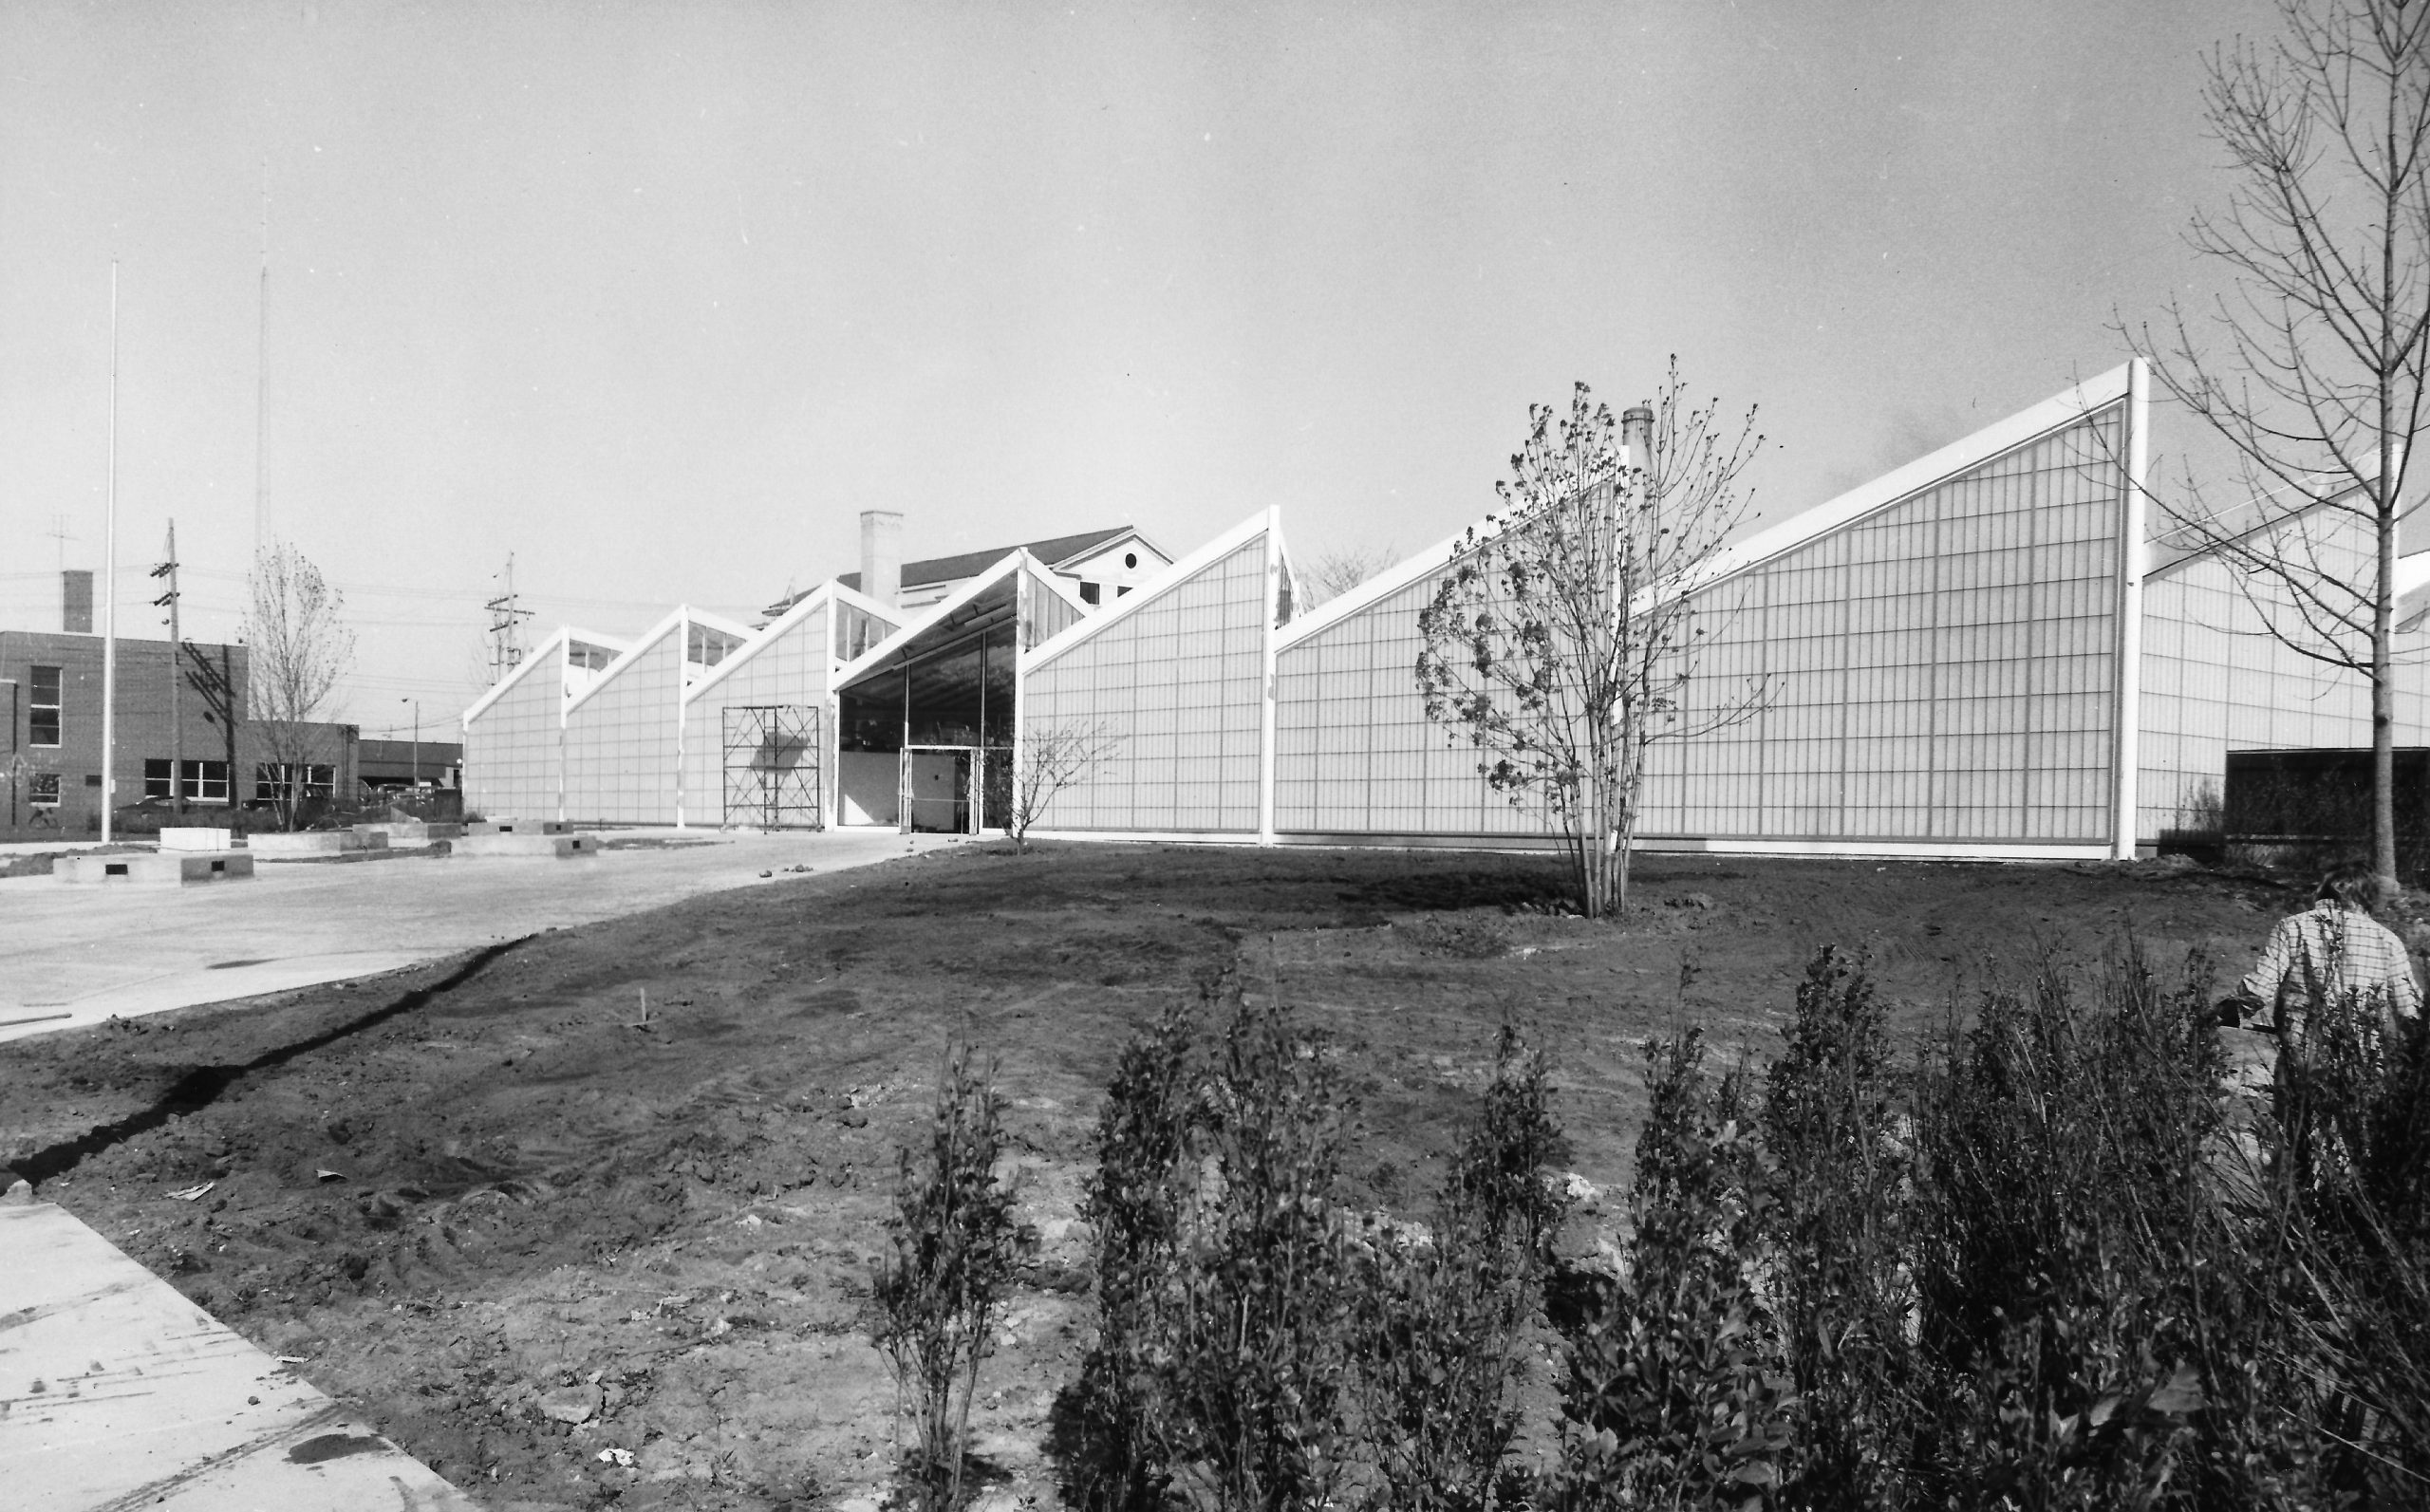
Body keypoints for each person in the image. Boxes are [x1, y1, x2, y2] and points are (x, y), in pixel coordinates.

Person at [2223, 862, 2422, 1042]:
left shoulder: (2293, 926)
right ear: (2368, 897)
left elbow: (2260, 987)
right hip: (2362, 1058)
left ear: (2322, 890)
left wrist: (2226, 1013)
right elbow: (2409, 1009)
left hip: (2302, 1051)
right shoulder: (2388, 941)